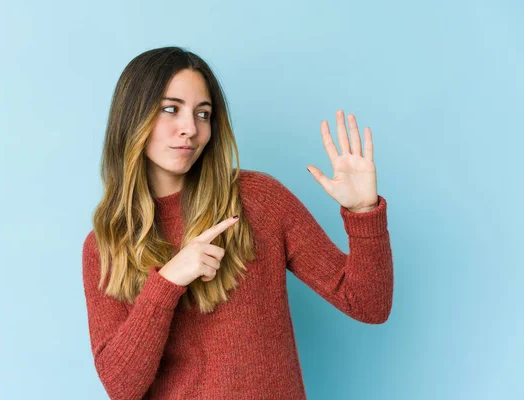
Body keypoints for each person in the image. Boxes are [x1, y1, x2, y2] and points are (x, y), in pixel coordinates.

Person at [82, 46, 393, 400]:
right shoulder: (106, 245)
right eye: (171, 109)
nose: (190, 129)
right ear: (132, 118)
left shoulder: (258, 200)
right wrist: (167, 282)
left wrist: (364, 213)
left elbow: (368, 305)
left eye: (203, 114)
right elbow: (121, 388)